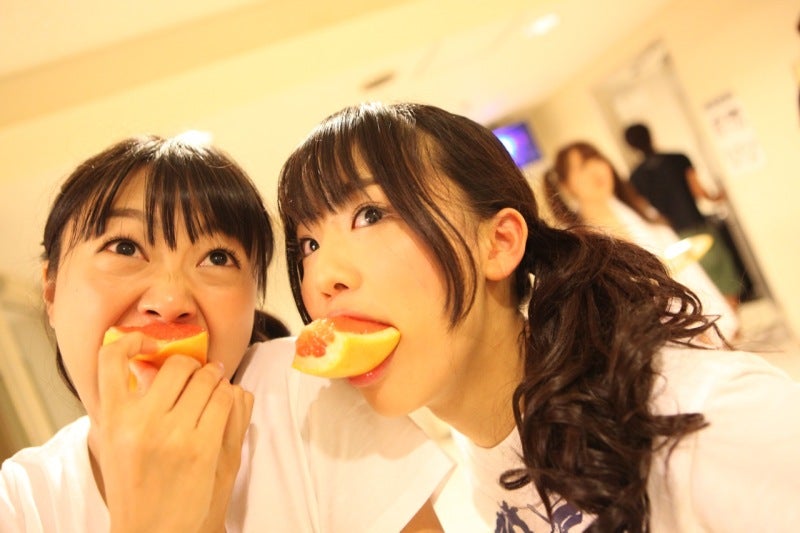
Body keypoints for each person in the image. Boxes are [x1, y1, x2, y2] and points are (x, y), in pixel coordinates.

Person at [276, 102, 800, 532]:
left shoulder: (704, 418)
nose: (322, 277)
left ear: (499, 243)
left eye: (370, 214)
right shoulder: (486, 461)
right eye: (308, 244)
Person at [0, 133, 451, 532]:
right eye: (125, 247)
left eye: (217, 258)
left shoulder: (307, 399)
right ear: (51, 292)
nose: (171, 300)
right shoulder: (20, 502)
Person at [542, 140, 739, 339]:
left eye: (597, 159)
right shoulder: (577, 245)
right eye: (583, 166)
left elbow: (690, 275)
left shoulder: (644, 214)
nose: (595, 170)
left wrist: (708, 323)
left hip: (692, 325)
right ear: (565, 185)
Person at [623, 123, 743, 310]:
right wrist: (720, 195)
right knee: (725, 281)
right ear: (651, 136)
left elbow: (645, 213)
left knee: (701, 291)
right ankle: (734, 319)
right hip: (698, 228)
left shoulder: (635, 177)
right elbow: (700, 193)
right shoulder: (678, 159)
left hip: (673, 241)